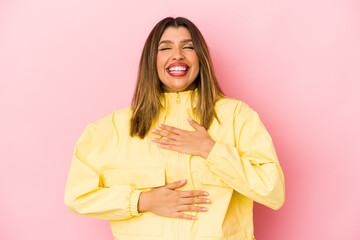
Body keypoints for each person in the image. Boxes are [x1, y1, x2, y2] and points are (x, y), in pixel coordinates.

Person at [64, 16, 285, 240]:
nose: (177, 54)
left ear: (201, 58)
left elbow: (273, 191)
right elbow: (77, 195)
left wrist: (211, 150)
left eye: (188, 47)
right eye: (165, 47)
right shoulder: (113, 129)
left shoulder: (237, 117)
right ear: (152, 60)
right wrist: (142, 201)